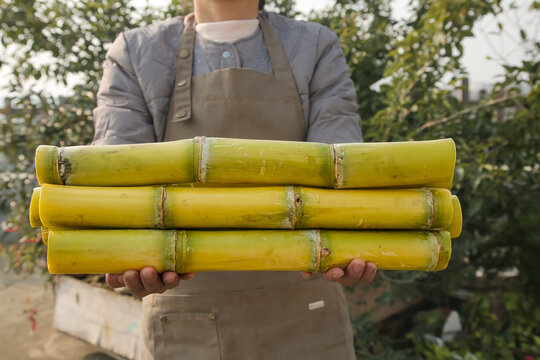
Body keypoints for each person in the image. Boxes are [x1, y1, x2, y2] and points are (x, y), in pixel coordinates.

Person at [93, 0, 377, 358]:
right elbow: (117, 182)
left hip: (308, 312)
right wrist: (124, 251)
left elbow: (342, 169)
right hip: (184, 317)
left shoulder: (316, 45)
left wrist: (351, 240)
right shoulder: (135, 52)